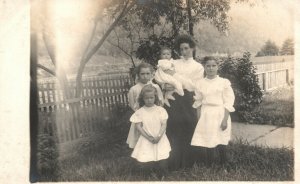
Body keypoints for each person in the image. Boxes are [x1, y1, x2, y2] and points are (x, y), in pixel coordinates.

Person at [163, 35, 204, 170]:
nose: (184, 51)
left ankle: (188, 163)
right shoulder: (174, 63)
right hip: (173, 99)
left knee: (188, 128)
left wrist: (176, 76)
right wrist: (166, 86)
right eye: (181, 49)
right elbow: (165, 78)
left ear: (192, 48)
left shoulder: (198, 67)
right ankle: (174, 163)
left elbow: (193, 86)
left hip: (187, 100)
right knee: (174, 129)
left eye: (186, 48)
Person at [191, 56, 235, 168]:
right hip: (206, 114)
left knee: (221, 138)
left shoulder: (223, 82)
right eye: (208, 66)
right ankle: (209, 164)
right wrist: (199, 118)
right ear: (204, 67)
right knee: (208, 139)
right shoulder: (200, 83)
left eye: (213, 66)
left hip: (220, 113)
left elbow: (228, 102)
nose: (211, 68)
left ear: (218, 67)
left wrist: (225, 119)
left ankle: (224, 163)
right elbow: (198, 102)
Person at [130, 84, 170, 178]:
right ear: (142, 99)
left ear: (155, 97)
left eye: (151, 97)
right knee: (147, 158)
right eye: (146, 98)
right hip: (146, 138)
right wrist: (148, 137)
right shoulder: (140, 112)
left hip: (159, 137)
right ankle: (149, 175)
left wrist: (159, 136)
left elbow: (164, 124)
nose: (149, 100)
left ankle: (162, 175)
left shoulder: (160, 110)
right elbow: (138, 127)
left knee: (162, 157)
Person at [126, 62, 163, 149]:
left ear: (151, 74)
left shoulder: (156, 87)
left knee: (154, 137)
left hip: (154, 117)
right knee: (141, 141)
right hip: (141, 118)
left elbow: (160, 103)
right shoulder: (134, 89)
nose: (145, 76)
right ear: (138, 75)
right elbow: (132, 105)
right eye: (142, 74)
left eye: (147, 73)